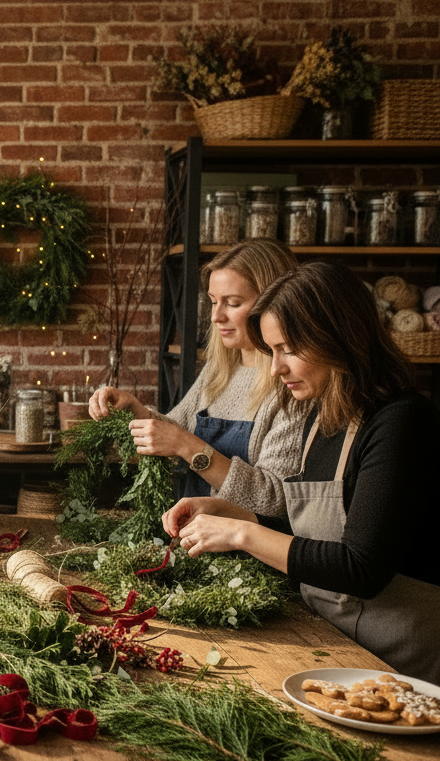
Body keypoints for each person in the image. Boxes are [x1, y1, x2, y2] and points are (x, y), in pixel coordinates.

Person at [164, 261, 440, 685]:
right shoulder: (322, 415)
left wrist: (243, 535)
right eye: (272, 351)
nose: (275, 369)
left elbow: (360, 567)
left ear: (339, 338)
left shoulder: (403, 423)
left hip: (400, 666)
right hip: (336, 643)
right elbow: (312, 525)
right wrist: (234, 513)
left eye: (288, 349)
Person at [87, 239, 307, 515]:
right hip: (197, 538)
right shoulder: (220, 370)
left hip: (251, 550)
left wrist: (186, 445)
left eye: (233, 303)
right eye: (214, 302)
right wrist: (134, 409)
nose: (216, 316)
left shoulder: (293, 382)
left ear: (272, 303)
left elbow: (273, 500)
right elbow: (176, 430)